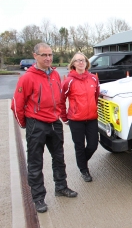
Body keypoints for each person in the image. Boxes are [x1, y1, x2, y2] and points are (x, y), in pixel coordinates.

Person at [11, 43, 77, 214]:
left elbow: (60, 99)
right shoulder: (27, 78)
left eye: (50, 55)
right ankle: (38, 197)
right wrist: (26, 125)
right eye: (44, 55)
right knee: (35, 162)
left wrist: (60, 116)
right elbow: (16, 105)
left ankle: (61, 187)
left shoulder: (55, 74)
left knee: (59, 158)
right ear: (35, 56)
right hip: (36, 124)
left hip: (54, 122)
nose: (48, 58)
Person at [60, 52, 100, 182]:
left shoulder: (93, 78)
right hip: (76, 119)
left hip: (92, 119)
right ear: (73, 64)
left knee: (93, 145)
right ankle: (84, 170)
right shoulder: (68, 81)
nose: (80, 62)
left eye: (82, 60)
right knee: (79, 146)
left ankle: (81, 161)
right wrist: (64, 117)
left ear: (86, 62)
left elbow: (96, 96)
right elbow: (61, 100)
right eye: (77, 60)